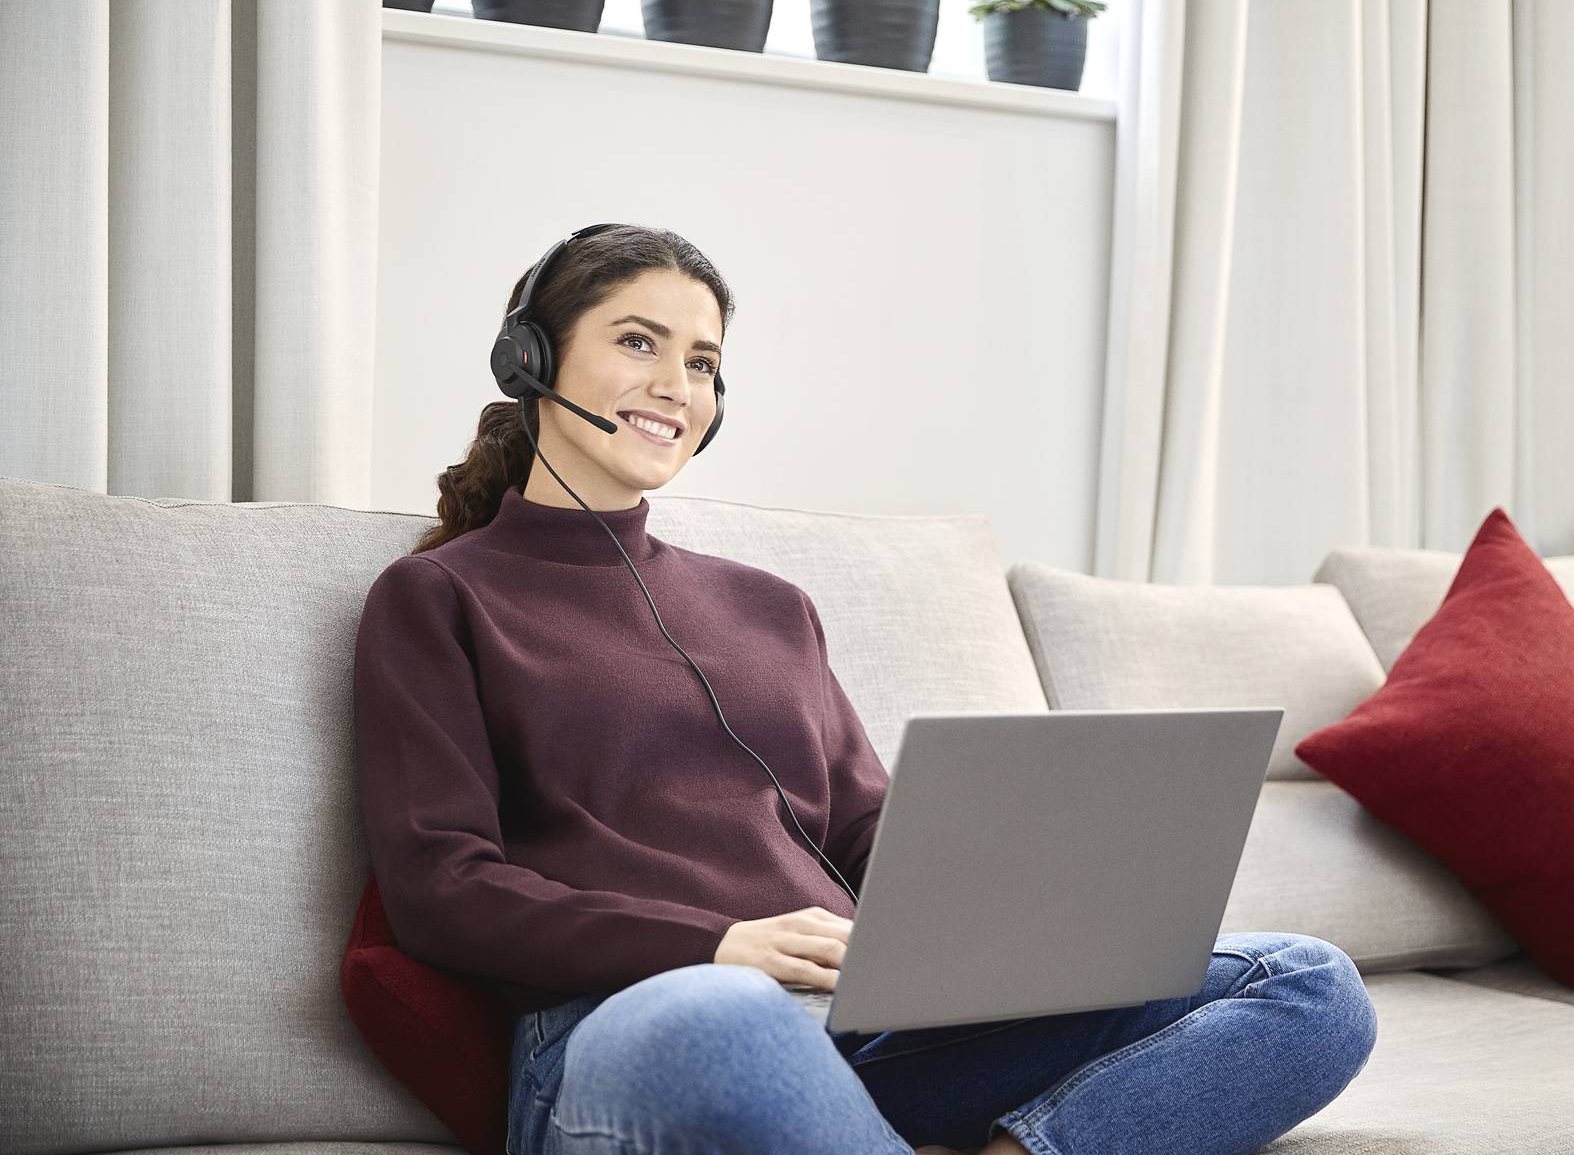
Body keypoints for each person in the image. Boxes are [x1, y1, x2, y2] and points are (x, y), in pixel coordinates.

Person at [351, 224, 1379, 1155]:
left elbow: (864, 829)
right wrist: (717, 945)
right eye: (638, 342)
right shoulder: (438, 597)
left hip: (858, 1028)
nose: (674, 385)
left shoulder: (769, 604)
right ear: (531, 358)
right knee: (727, 1015)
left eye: (702, 362)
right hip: (644, 1026)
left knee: (1309, 983)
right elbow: (443, 889)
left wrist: (1009, 914)